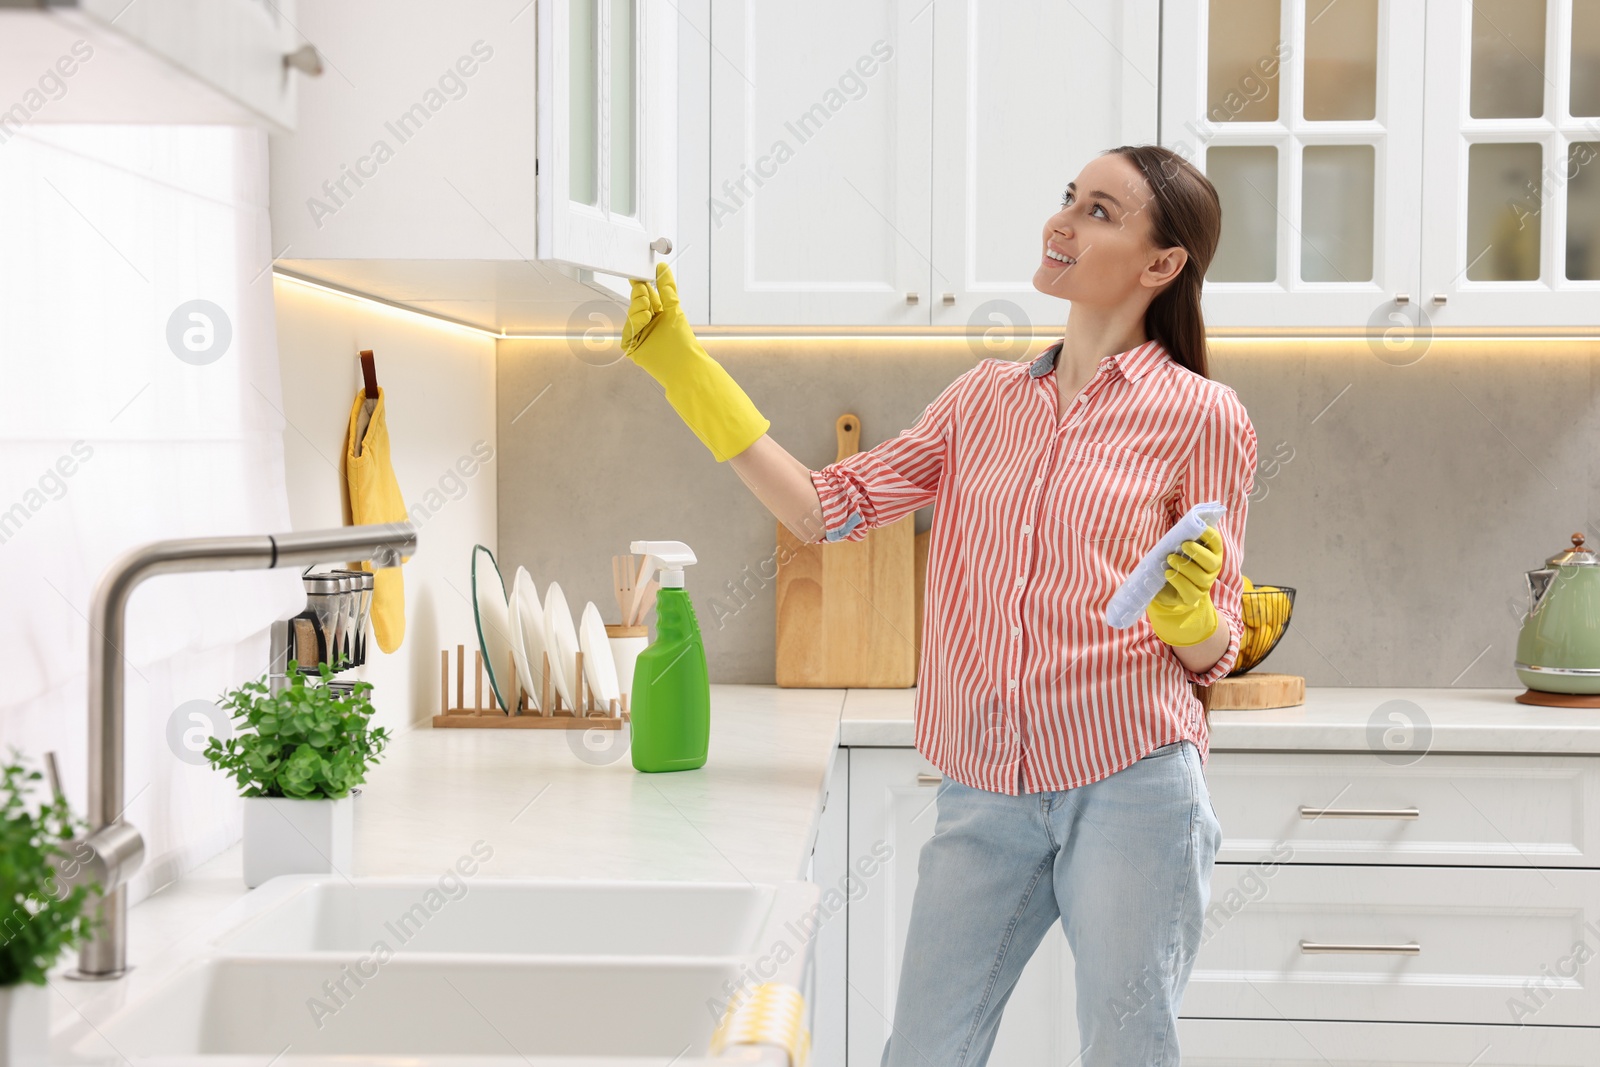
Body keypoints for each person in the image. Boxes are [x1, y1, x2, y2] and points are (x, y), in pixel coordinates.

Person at [622, 143, 1257, 1067]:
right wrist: (686, 372)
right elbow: (823, 507)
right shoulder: (982, 399)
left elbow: (1221, 643)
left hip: (1132, 780)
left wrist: (1192, 620)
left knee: (1127, 1052)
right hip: (985, 784)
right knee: (923, 1050)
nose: (1063, 221)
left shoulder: (1204, 415)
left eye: (1101, 212)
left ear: (1164, 266)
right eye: (1068, 198)